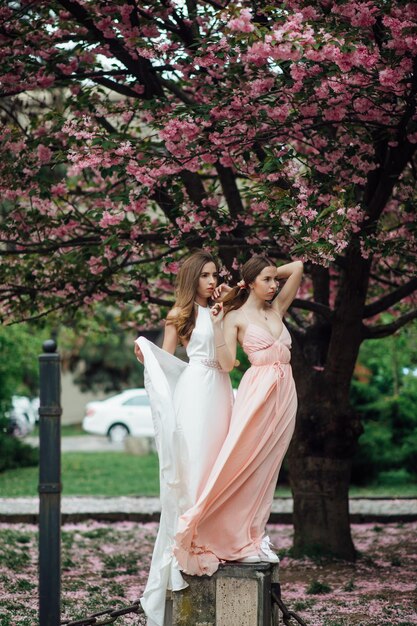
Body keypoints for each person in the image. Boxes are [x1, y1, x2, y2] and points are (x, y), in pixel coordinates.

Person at [173, 255, 303, 576]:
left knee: (270, 467)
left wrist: (251, 280)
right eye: (268, 280)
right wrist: (218, 325)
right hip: (257, 392)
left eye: (275, 280)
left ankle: (256, 536)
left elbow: (298, 267)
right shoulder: (234, 317)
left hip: (286, 393)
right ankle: (234, 537)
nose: (274, 285)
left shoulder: (277, 309)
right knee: (245, 463)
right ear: (254, 283)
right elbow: (229, 364)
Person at [134, 250, 234, 626]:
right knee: (196, 467)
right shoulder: (181, 315)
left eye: (215, 274)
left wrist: (226, 307)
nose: (211, 281)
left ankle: (216, 540)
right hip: (195, 392)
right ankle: (185, 548)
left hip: (222, 391)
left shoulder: (223, 308)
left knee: (219, 466)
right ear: (192, 279)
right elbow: (165, 358)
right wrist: (145, 350)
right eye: (205, 275)